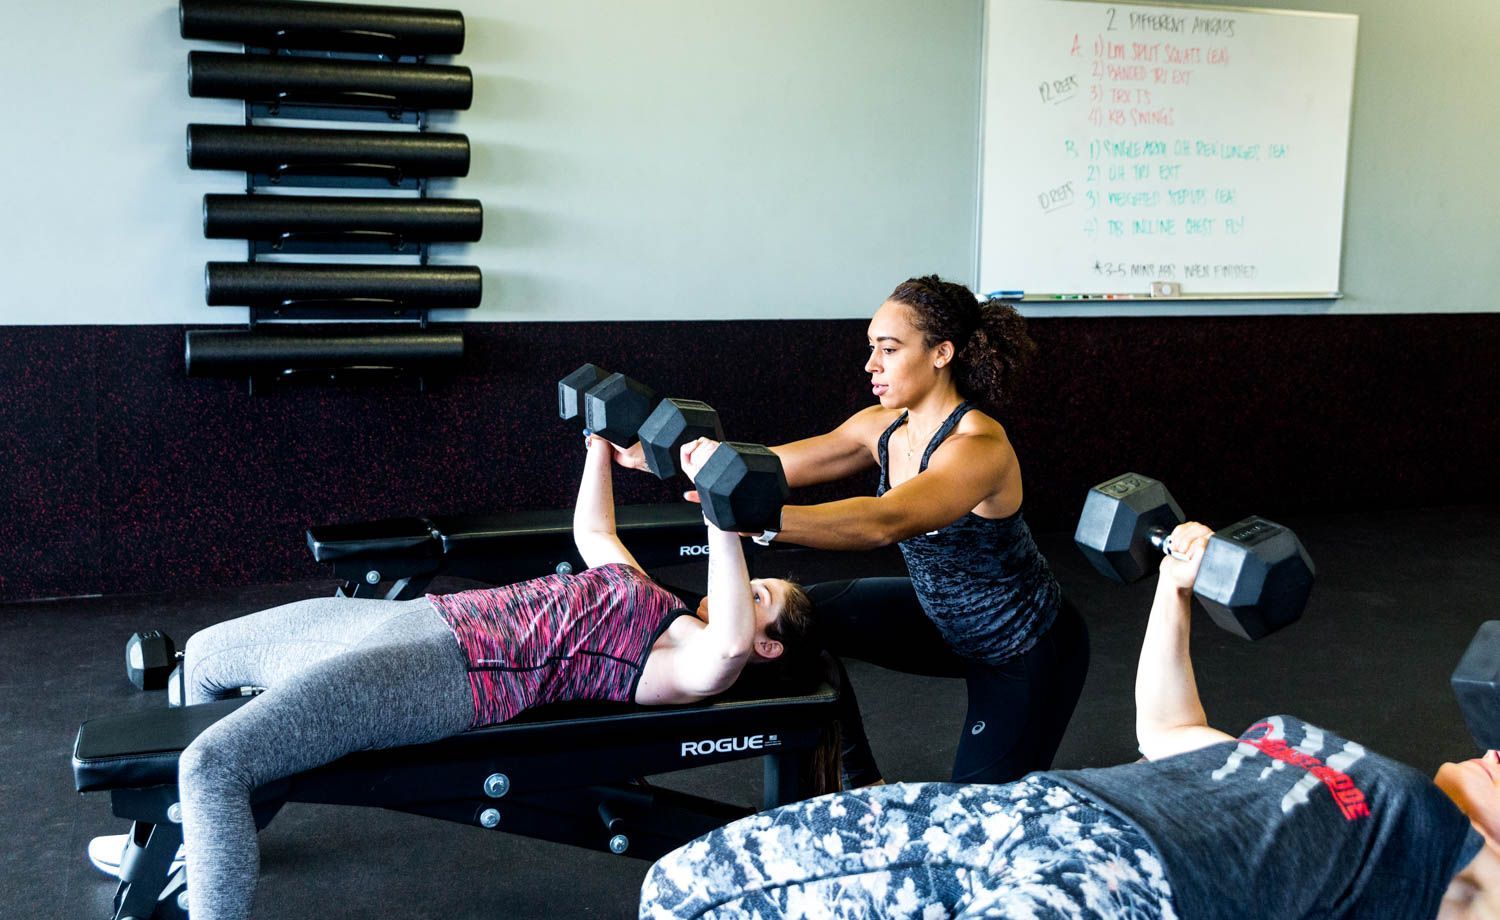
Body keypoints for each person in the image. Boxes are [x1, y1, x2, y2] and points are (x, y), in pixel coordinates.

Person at [87, 434, 815, 920]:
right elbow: (595, 535)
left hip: (441, 672)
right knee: (208, 654)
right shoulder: (649, 594)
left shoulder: (695, 661)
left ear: (770, 647)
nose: (744, 589)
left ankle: (204, 865)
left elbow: (726, 650)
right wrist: (597, 442)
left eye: (761, 596)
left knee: (214, 763)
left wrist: (725, 520)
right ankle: (174, 844)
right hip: (422, 619)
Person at [640, 522, 1500, 919]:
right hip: (1034, 809)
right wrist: (1175, 587)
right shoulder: (1334, 757)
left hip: (1129, 887)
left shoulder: (1450, 862)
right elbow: (1167, 730)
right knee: (678, 891)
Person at [681, 274, 1088, 787]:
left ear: (942, 353)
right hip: (938, 618)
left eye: (889, 349)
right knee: (802, 620)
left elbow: (883, 522)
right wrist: (681, 453)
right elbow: (770, 466)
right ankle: (860, 779)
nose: (871, 364)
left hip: (1022, 648)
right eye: (872, 347)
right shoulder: (883, 425)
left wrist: (759, 520)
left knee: (978, 820)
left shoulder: (978, 447)